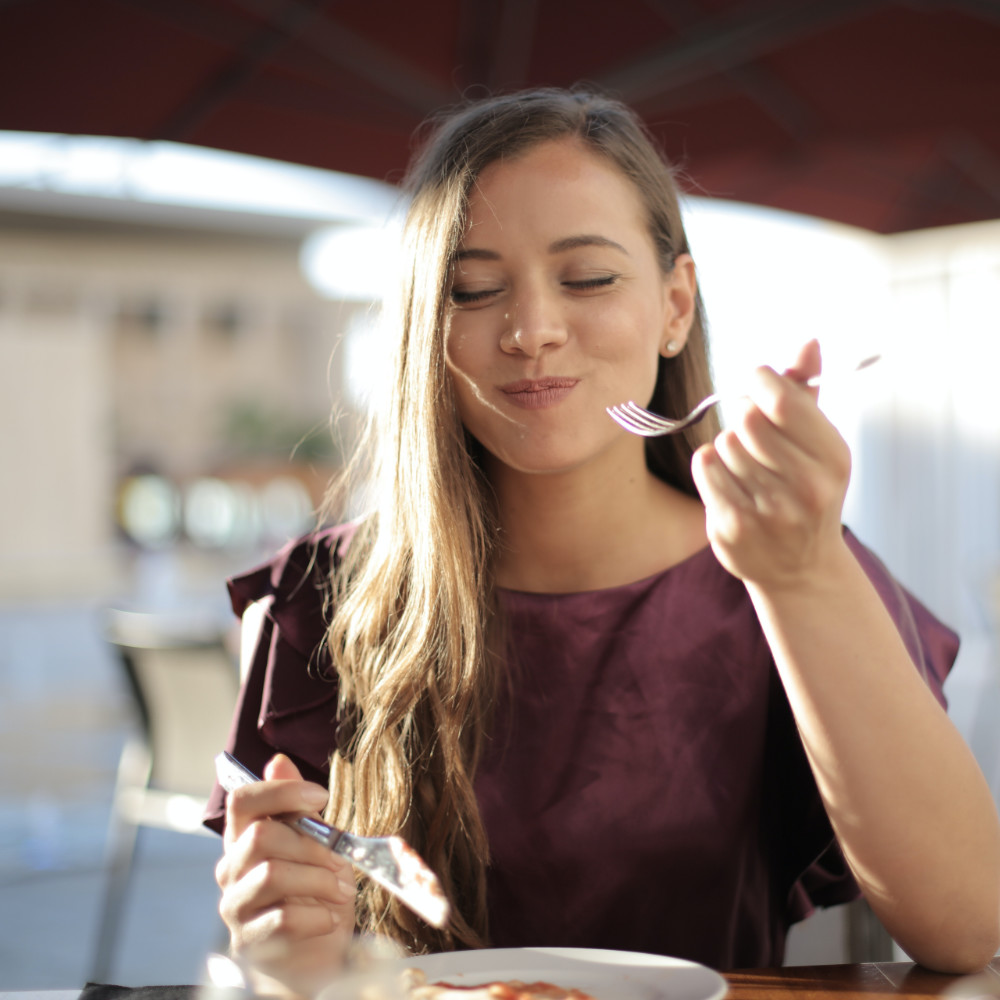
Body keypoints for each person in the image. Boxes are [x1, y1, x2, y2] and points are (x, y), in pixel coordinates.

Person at [204, 88, 1000, 998]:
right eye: (472, 289)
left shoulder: (787, 568)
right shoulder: (322, 600)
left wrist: (804, 576)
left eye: (587, 278)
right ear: (428, 326)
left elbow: (967, 925)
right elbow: (296, 963)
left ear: (674, 306)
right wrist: (278, 940)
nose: (532, 330)